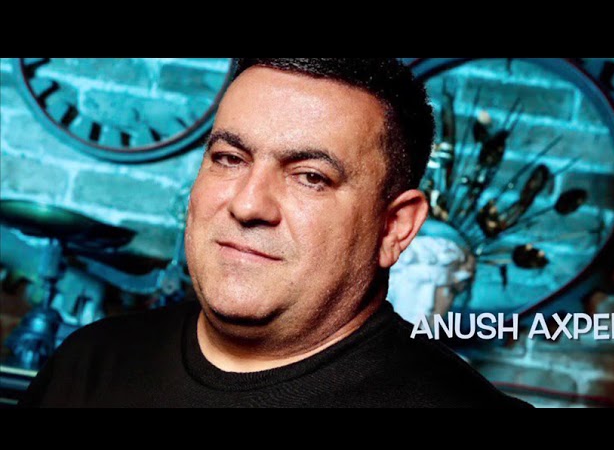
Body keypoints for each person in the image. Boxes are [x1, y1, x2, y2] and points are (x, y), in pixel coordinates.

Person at [19, 58, 531, 408]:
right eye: (229, 158)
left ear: (394, 227)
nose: (247, 205)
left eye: (311, 177)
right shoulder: (89, 364)